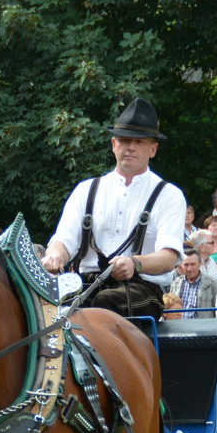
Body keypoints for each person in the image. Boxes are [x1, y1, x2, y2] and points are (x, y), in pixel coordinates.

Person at [39, 99, 187, 319]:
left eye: (139, 142)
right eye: (125, 140)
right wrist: (54, 256)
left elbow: (169, 257)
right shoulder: (86, 189)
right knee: (39, 308)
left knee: (103, 303)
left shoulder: (169, 195)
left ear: (153, 149)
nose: (131, 147)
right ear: (113, 144)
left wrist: (135, 263)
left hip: (141, 289)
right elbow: (64, 240)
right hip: (85, 284)